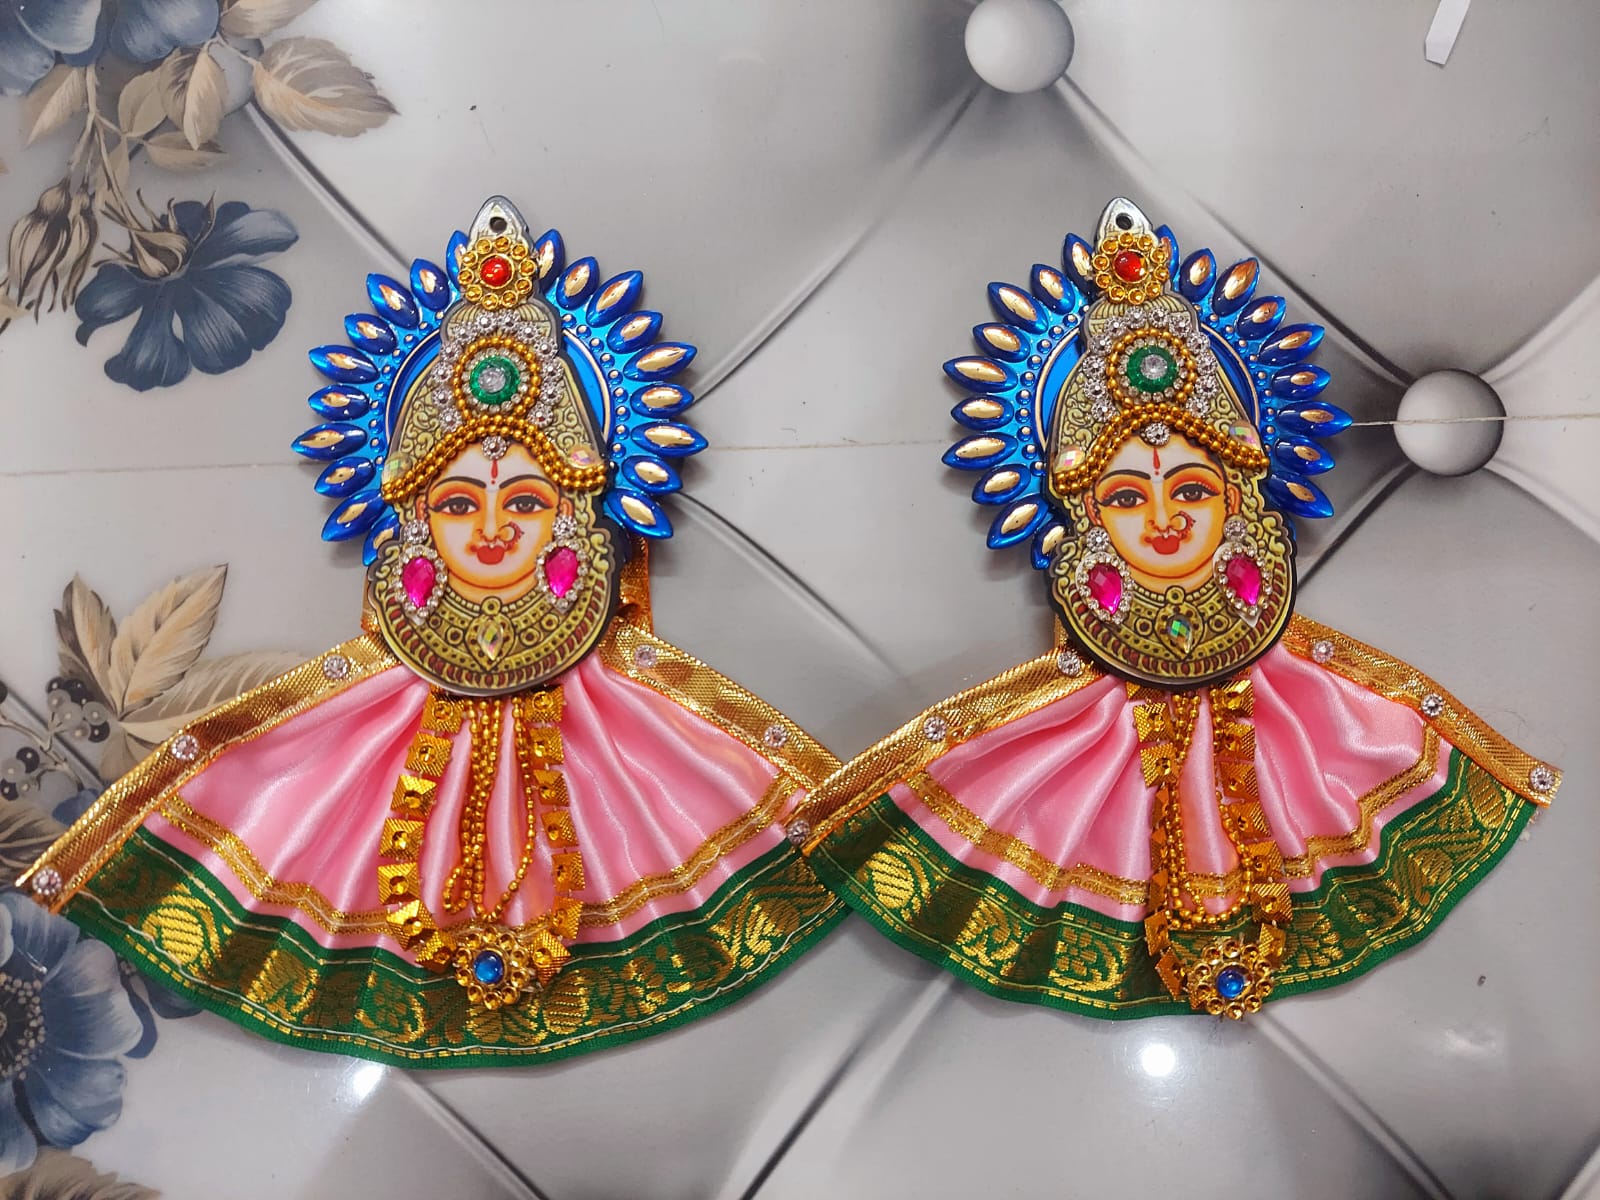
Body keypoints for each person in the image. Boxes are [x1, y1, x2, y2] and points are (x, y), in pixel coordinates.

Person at [23, 198, 844, 1066]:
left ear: (576, 511)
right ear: (410, 514)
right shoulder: (342, 722)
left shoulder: (656, 716)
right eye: (456, 503)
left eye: (526, 500)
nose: (491, 531)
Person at [798, 197, 1560, 1019]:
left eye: (1193, 489)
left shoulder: (1346, 717)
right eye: (1127, 498)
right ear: (1085, 515)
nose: (1164, 521)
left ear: (1239, 495)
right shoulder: (1057, 715)